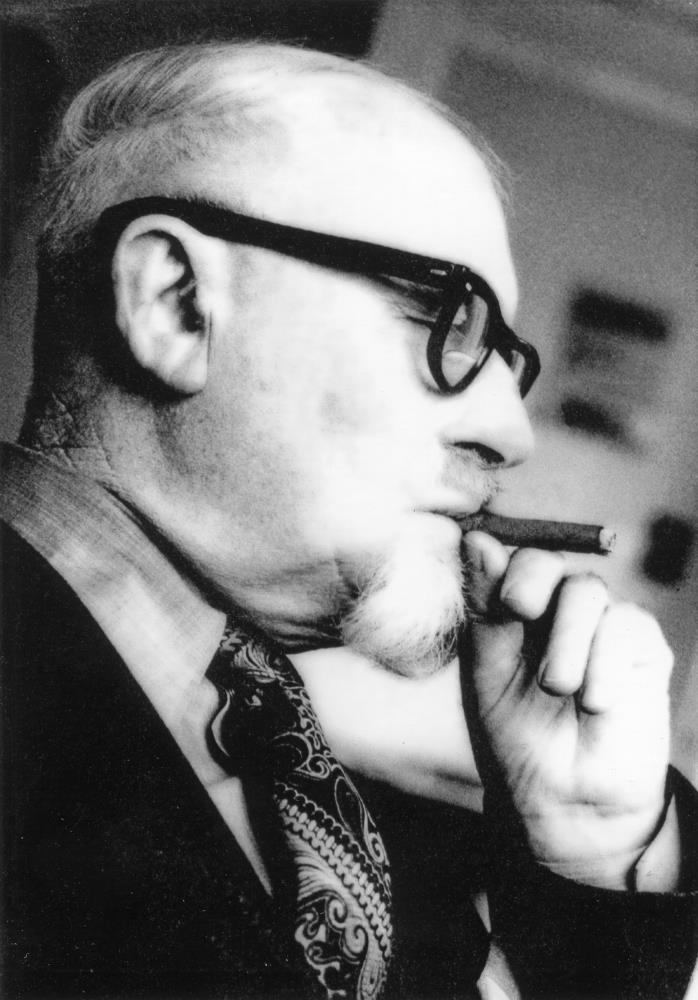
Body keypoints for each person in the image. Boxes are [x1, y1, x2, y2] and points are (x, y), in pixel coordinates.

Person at [1, 41, 696, 1000]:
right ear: (175, 305)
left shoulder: (298, 774)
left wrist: (588, 848)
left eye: (505, 358)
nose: (510, 432)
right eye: (450, 318)